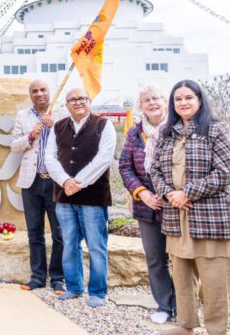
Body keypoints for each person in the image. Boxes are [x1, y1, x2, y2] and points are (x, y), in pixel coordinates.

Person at [150, 80, 230, 335]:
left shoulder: (217, 129)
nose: (183, 103)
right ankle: (186, 326)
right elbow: (154, 170)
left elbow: (225, 173)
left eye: (189, 97)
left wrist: (187, 192)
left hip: (210, 218)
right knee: (182, 277)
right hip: (176, 217)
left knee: (214, 282)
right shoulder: (167, 132)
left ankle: (217, 330)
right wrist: (169, 194)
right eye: (178, 99)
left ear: (199, 100)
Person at [44, 87, 116, 308]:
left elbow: (104, 158)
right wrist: (66, 181)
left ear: (89, 101)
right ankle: (74, 287)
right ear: (66, 105)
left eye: (81, 98)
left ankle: (97, 291)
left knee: (96, 245)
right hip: (64, 196)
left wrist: (79, 181)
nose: (77, 102)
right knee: (69, 244)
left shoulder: (104, 125)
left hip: (93, 196)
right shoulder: (58, 126)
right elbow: (50, 157)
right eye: (72, 100)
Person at [118, 86, 175, 324]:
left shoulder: (177, 128)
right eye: (145, 100)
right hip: (146, 207)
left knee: (182, 259)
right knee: (155, 258)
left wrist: (167, 193)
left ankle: (185, 306)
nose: (151, 103)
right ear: (141, 107)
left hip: (175, 204)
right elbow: (125, 166)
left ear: (164, 101)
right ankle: (165, 305)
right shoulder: (135, 132)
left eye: (155, 98)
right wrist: (142, 194)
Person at [10, 80, 68, 294]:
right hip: (31, 181)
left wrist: (55, 126)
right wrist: (30, 136)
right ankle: (37, 277)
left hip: (55, 182)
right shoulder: (23, 116)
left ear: (50, 91)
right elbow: (13, 146)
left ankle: (58, 278)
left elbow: (71, 142)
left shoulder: (62, 114)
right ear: (30, 95)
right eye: (34, 91)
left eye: (43, 89)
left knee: (59, 233)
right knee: (34, 232)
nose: (39, 94)